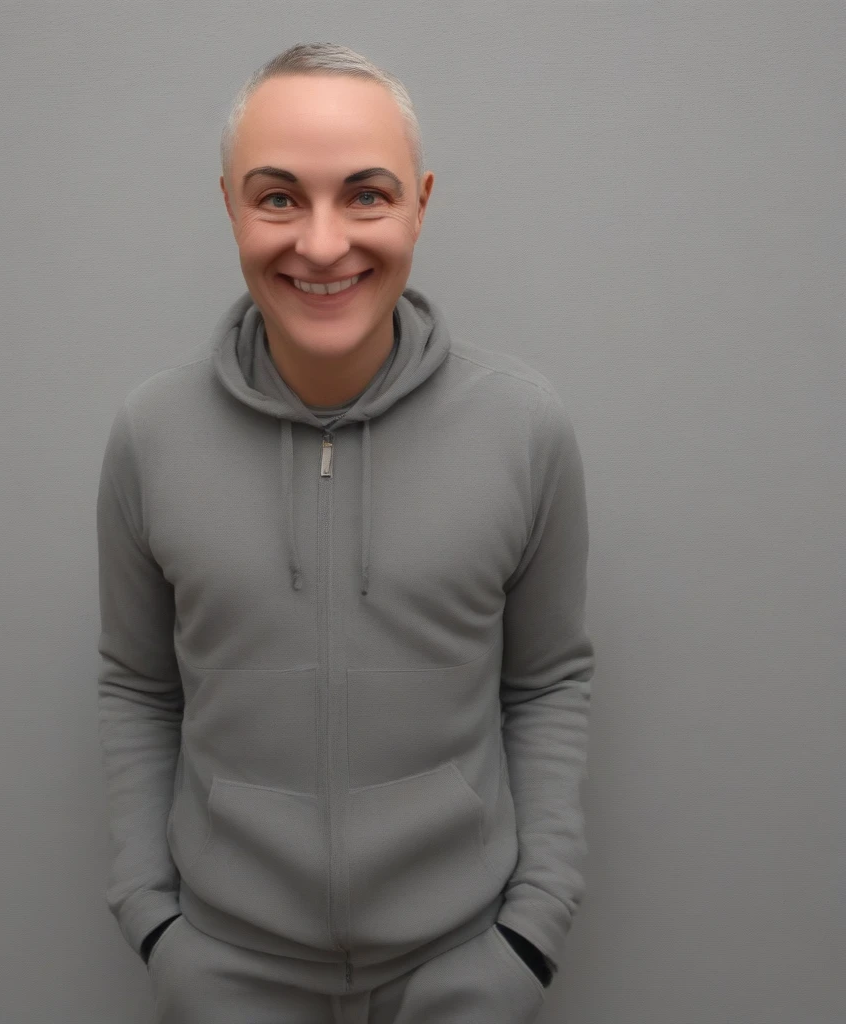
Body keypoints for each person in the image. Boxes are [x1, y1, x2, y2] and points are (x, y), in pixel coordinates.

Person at [96, 41, 594, 1024]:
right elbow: (137, 685)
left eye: (365, 195)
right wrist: (152, 919)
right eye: (279, 198)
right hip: (225, 976)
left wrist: (532, 933)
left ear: (420, 203)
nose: (322, 245)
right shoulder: (151, 434)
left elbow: (547, 682)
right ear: (230, 205)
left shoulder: (523, 427)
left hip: (465, 970)